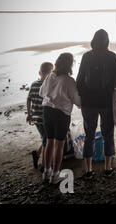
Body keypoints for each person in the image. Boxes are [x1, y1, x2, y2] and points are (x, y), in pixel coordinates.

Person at [76, 29, 116, 178]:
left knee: (89, 135)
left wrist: (83, 97)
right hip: (107, 102)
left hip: (89, 103)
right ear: (107, 42)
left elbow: (79, 80)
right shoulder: (111, 57)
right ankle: (108, 168)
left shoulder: (87, 56)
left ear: (93, 41)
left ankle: (89, 170)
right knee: (108, 134)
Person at [39, 53, 81, 184]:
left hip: (47, 111)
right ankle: (56, 174)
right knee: (59, 144)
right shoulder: (69, 80)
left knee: (49, 142)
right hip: (61, 114)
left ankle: (46, 172)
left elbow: (41, 93)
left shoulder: (49, 76)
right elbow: (78, 101)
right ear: (70, 65)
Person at [26, 62, 54, 172]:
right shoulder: (48, 85)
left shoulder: (33, 84)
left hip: (36, 118)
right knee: (46, 139)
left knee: (45, 138)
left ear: (39, 72)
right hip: (44, 118)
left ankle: (37, 154)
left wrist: (29, 114)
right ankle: (44, 164)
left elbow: (29, 100)